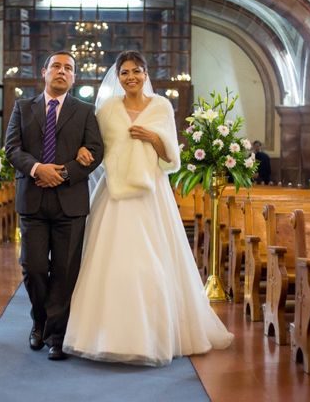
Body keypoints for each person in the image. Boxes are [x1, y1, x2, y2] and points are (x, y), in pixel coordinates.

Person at [63, 50, 233, 366]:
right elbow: (97, 147)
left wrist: (152, 137)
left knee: (153, 261)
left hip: (150, 193)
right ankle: (103, 334)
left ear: (145, 74)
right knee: (110, 262)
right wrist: (84, 151)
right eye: (125, 72)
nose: (131, 77)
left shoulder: (161, 107)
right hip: (114, 194)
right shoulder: (108, 110)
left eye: (136, 71)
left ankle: (155, 334)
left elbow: (172, 160)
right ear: (118, 76)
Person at [4, 51, 104, 361]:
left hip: (70, 202)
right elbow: (11, 148)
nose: (62, 72)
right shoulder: (23, 108)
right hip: (32, 199)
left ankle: (56, 335)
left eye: (69, 69)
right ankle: (39, 320)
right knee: (33, 267)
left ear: (74, 77)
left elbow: (96, 151)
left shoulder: (86, 112)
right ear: (44, 71)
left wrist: (61, 173)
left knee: (64, 270)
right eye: (56, 66)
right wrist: (37, 169)